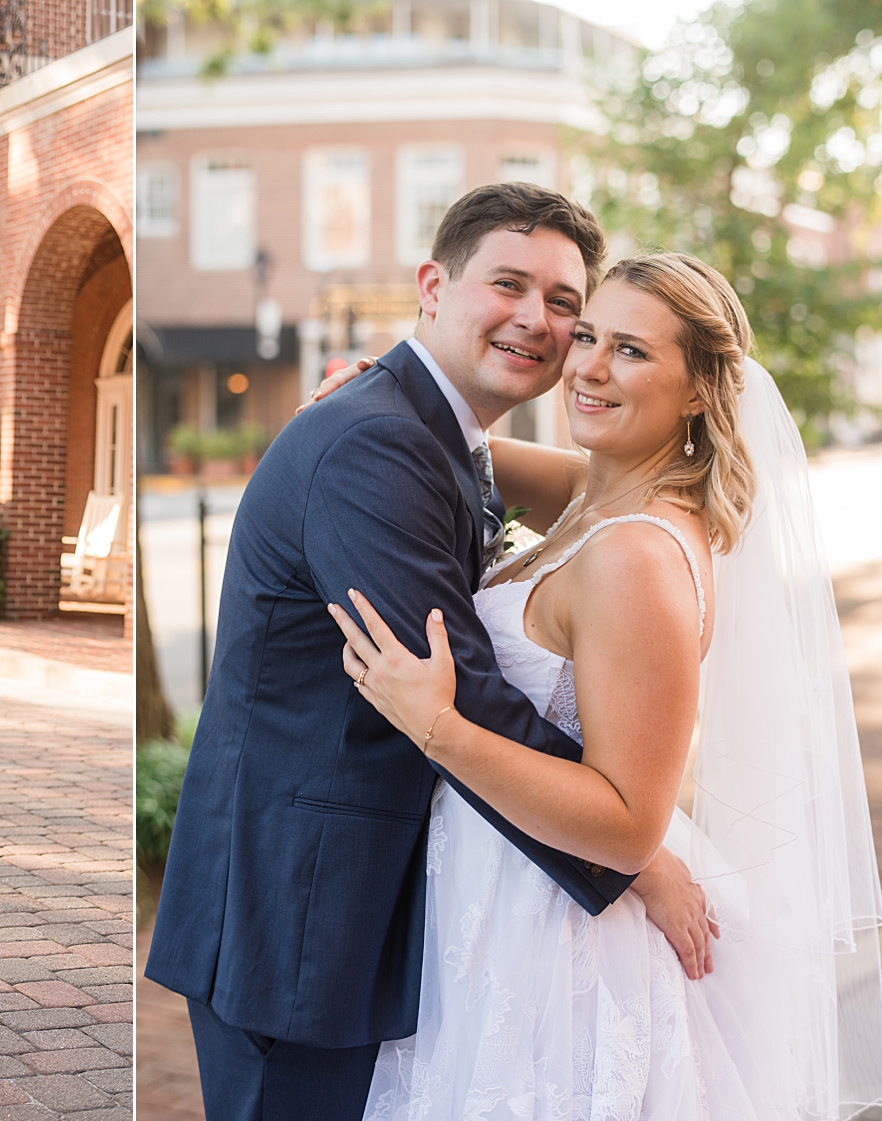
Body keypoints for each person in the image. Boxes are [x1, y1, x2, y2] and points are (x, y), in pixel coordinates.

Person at [143, 184, 715, 1121]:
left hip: (381, 908)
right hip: (298, 916)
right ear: (433, 286)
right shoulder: (381, 442)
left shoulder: (447, 438)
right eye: (508, 284)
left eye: (565, 303)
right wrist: (638, 855)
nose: (538, 319)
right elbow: (460, 690)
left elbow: (609, 491)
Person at [332, 253, 882, 1117]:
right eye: (587, 334)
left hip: (561, 936)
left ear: (700, 389)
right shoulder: (603, 495)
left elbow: (630, 826)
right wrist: (389, 389)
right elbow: (479, 453)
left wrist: (437, 727)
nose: (587, 366)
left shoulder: (634, 556)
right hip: (503, 890)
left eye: (630, 351)